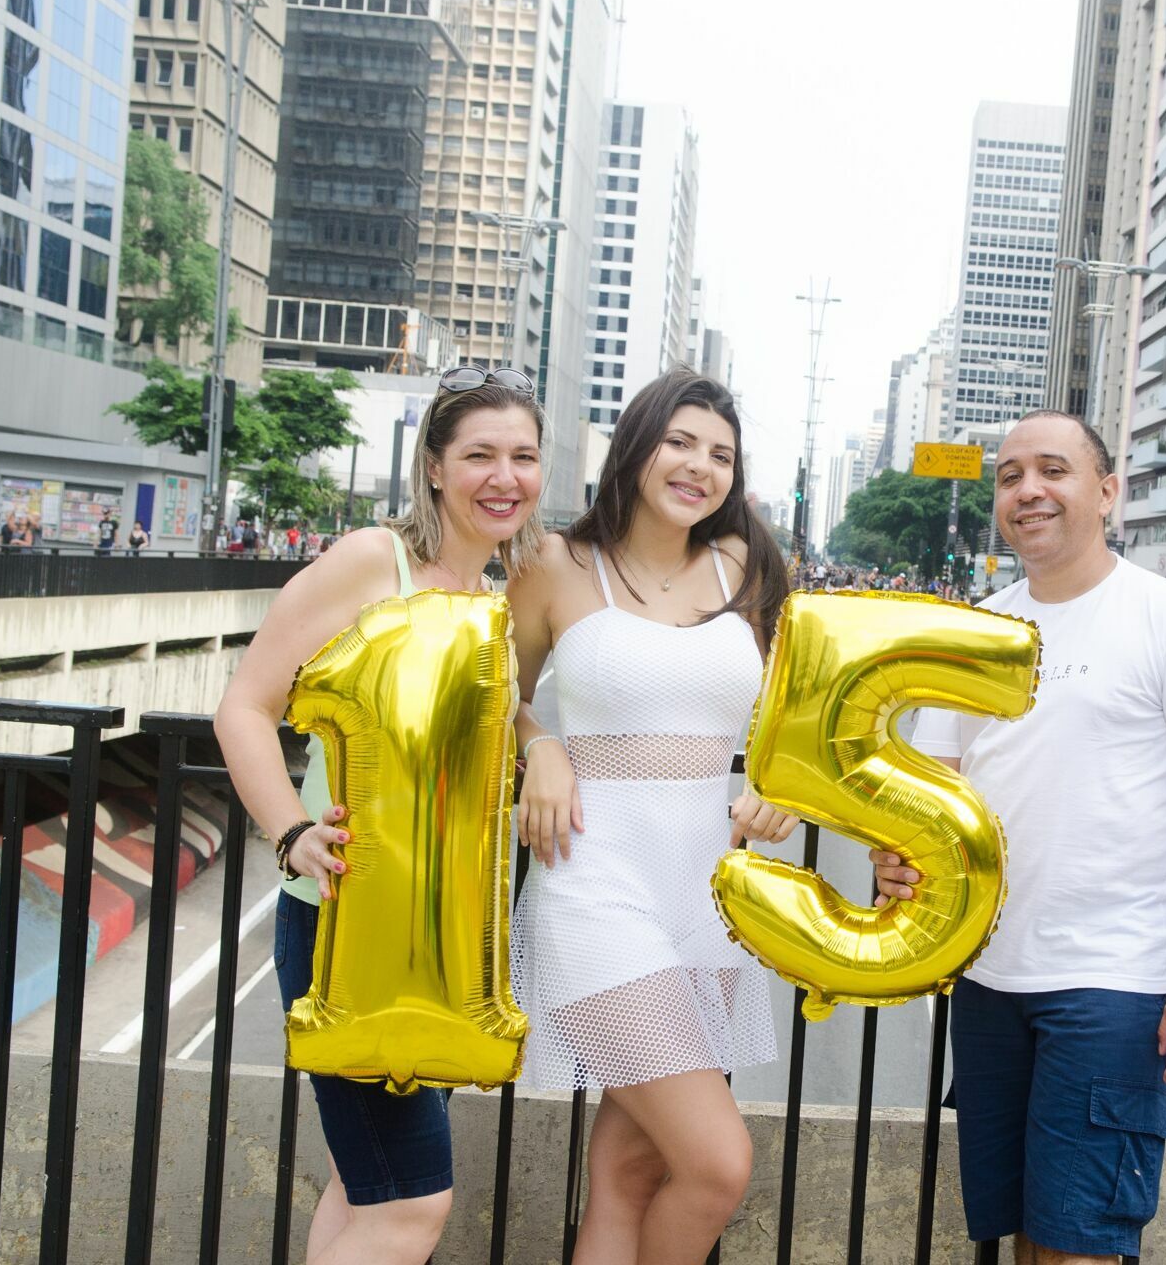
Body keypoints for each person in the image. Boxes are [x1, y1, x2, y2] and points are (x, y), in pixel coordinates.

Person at [872, 411, 1166, 1262]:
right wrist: (894, 857)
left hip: (1115, 985)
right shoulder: (973, 634)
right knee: (1026, 1239)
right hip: (987, 975)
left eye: (1053, 470)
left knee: (1078, 1245)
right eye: (1011, 476)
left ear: (1107, 491)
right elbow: (934, 798)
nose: (1029, 491)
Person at [216, 365, 546, 1264]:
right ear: (434, 467)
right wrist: (290, 833)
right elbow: (244, 706)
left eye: (523, 456)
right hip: (345, 936)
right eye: (479, 454)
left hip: (431, 954)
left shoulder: (490, 594)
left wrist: (540, 740)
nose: (503, 476)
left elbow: (484, 719)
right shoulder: (375, 561)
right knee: (412, 1206)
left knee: (363, 1194)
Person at [506, 368, 792, 1264]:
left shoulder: (747, 566)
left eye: (721, 455)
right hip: (594, 881)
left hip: (707, 895)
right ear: (635, 446)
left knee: (630, 1175)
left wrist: (781, 784)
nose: (699, 467)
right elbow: (486, 699)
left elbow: (797, 716)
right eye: (680, 442)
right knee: (716, 1163)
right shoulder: (554, 564)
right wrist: (539, 744)